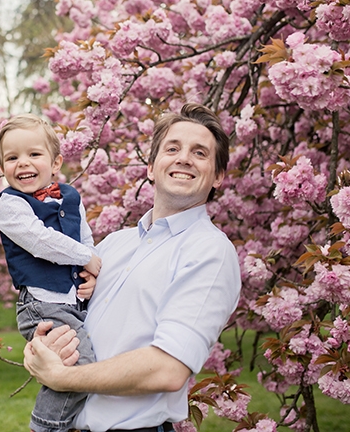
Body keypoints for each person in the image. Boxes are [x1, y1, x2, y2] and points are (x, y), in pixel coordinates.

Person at [23, 103, 242, 432]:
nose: (184, 158)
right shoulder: (113, 244)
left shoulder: (209, 251)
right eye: (173, 148)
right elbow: (72, 316)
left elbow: (168, 369)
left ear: (218, 177)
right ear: (152, 167)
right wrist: (43, 343)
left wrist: (63, 377)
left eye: (200, 153)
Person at [0, 113, 102, 432]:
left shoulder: (70, 196)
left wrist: (90, 271)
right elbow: (41, 241)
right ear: (2, 168)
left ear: (56, 162)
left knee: (79, 362)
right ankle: (46, 426)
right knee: (81, 367)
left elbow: (85, 238)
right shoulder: (10, 206)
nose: (23, 163)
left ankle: (72, 425)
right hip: (41, 305)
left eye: (34, 154)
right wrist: (86, 257)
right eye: (12, 157)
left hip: (72, 304)